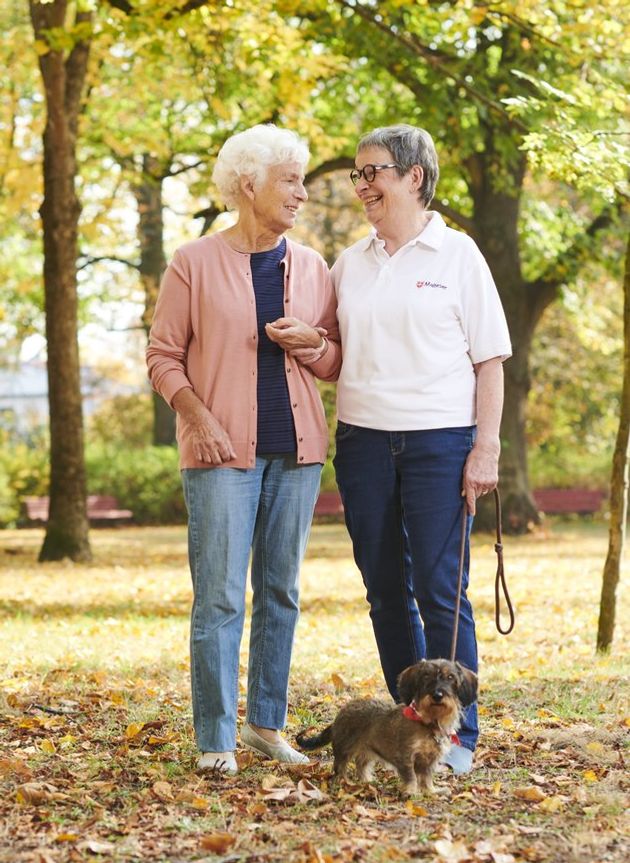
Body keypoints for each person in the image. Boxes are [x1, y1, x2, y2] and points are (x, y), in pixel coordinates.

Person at [146, 124, 341, 774]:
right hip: (220, 451)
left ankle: (265, 723)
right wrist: (195, 416)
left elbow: (335, 359)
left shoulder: (312, 267)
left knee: (280, 590)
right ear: (249, 183)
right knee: (222, 595)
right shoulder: (193, 262)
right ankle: (214, 738)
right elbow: (163, 356)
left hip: (299, 452)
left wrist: (312, 342)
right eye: (291, 179)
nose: (303, 194)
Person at [331, 124, 511, 774]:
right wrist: (306, 342)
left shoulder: (459, 255)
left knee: (442, 589)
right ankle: (411, 727)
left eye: (372, 171)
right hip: (362, 444)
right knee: (384, 588)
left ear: (414, 176)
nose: (363, 185)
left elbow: (490, 361)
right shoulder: (350, 263)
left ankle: (458, 739)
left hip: (441, 442)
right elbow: (333, 353)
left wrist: (484, 446)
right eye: (358, 174)